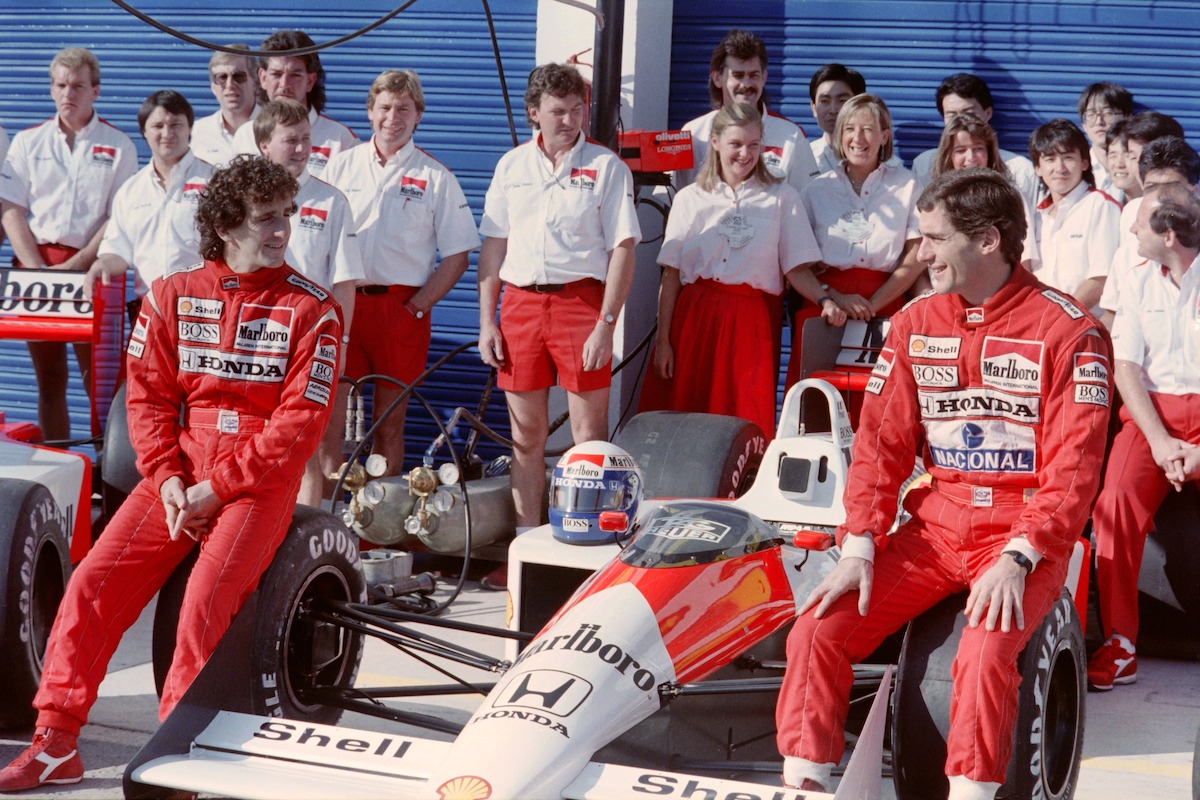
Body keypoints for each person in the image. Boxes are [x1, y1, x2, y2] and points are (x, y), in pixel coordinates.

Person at [0, 156, 343, 792]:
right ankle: (54, 742)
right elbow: (147, 397)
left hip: (256, 483)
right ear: (224, 225)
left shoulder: (314, 309)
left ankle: (172, 759)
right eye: (265, 219)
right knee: (91, 586)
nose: (281, 230)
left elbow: (298, 426)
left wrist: (219, 486)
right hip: (179, 472)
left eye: (285, 216)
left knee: (203, 603)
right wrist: (167, 478)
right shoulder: (172, 292)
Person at [776, 168, 1112, 799]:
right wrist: (859, 544)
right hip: (933, 528)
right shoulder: (914, 321)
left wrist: (1020, 555)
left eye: (933, 239)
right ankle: (808, 786)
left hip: (1019, 535)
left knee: (983, 657)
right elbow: (880, 445)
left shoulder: (1071, 332)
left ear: (988, 240)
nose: (920, 254)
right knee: (817, 629)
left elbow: (1075, 472)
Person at [477, 63, 640, 589]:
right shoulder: (511, 166)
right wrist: (488, 322)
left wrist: (605, 324)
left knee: (586, 437)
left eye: (576, 110)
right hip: (521, 306)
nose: (568, 120)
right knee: (524, 439)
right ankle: (525, 548)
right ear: (534, 114)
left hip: (581, 305)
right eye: (557, 111)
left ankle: (584, 551)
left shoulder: (608, 167)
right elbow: (494, 248)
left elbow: (623, 249)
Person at [323, 70, 479, 478]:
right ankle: (322, 521)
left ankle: (379, 522)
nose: (393, 117)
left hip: (400, 310)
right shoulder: (339, 168)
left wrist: (417, 306)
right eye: (385, 107)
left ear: (418, 116)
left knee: (388, 424)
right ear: (370, 112)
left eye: (404, 109)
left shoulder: (436, 177)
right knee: (329, 419)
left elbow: (459, 254)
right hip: (344, 303)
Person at [637, 103, 820, 438]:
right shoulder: (691, 197)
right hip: (694, 318)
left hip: (750, 321)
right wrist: (664, 341)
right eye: (736, 144)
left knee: (742, 418)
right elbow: (672, 275)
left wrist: (830, 299)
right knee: (685, 414)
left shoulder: (783, 198)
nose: (745, 154)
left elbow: (797, 270)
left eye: (753, 145)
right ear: (716, 142)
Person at [1088, 185, 1200, 692]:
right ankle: (1121, 644)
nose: (1130, 229)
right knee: (1112, 505)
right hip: (1151, 414)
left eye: (1140, 222)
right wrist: (1158, 442)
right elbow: (1126, 366)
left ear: (1169, 235)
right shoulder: (1135, 279)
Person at [0, 47, 137, 442]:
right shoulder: (28, 142)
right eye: (60, 85)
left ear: (96, 90)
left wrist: (75, 265)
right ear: (51, 89)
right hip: (35, 269)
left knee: (99, 381)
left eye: (78, 85)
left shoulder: (118, 144)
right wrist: (37, 270)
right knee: (50, 379)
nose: (68, 93)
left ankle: (105, 474)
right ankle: (58, 463)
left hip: (91, 269)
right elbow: (11, 210)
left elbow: (118, 215)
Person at [255, 98, 365, 506]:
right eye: (291, 140)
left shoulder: (332, 202)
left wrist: (341, 346)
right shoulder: (244, 198)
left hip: (310, 342)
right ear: (265, 144)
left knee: (308, 450)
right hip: (255, 340)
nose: (302, 148)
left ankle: (301, 547)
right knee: (253, 441)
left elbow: (344, 282)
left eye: (306, 139)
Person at [783, 94, 921, 393]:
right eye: (850, 129)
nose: (858, 138)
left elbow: (915, 258)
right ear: (839, 134)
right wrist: (833, 298)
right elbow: (795, 265)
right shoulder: (816, 191)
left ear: (885, 135)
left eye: (869, 128)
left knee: (881, 401)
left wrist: (872, 305)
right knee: (819, 403)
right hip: (826, 311)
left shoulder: (908, 186)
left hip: (885, 307)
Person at [86, 91, 212, 320]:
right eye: (158, 126)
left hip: (204, 312)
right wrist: (101, 265)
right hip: (148, 312)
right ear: (144, 131)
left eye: (176, 124)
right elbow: (117, 251)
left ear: (190, 128)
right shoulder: (130, 191)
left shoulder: (214, 182)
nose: (167, 133)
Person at [676, 29, 820, 193]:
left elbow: (809, 202)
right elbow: (672, 201)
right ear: (718, 78)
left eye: (754, 75)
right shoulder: (693, 133)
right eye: (737, 75)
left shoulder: (791, 135)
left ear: (764, 77)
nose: (746, 84)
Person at [231, 30, 358, 177]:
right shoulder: (245, 135)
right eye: (276, 74)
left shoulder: (341, 140)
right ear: (263, 78)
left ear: (310, 81)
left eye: (295, 75)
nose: (284, 84)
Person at [1029, 118, 1121, 313]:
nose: (1060, 168)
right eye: (1050, 159)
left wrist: (1060, 316)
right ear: (1038, 167)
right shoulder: (1037, 216)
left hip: (1084, 326)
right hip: (1041, 323)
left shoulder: (1101, 206)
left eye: (1068, 157)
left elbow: (1101, 280)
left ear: (1085, 163)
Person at [910, 73, 1040, 209]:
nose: (961, 121)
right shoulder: (924, 165)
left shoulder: (1019, 170)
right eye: (951, 115)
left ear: (987, 113)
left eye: (969, 113)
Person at [927, 111, 1035, 267]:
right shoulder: (936, 198)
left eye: (978, 148)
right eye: (960, 150)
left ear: (989, 152)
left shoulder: (1007, 195)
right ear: (948, 155)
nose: (971, 157)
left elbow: (1025, 255)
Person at [191, 45, 258, 167]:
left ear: (255, 81)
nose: (230, 85)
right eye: (222, 78)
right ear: (213, 87)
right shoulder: (197, 133)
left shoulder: (274, 128)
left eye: (238, 76)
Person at [1078, 81, 1134, 199]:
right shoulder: (1076, 171)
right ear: (1084, 125)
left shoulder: (1138, 167)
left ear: (1129, 118)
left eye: (1108, 113)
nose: (1099, 122)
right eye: (1091, 114)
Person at [808, 64, 865, 175]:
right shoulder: (804, 157)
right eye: (824, 101)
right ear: (814, 108)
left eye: (842, 100)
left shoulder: (879, 160)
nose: (833, 110)